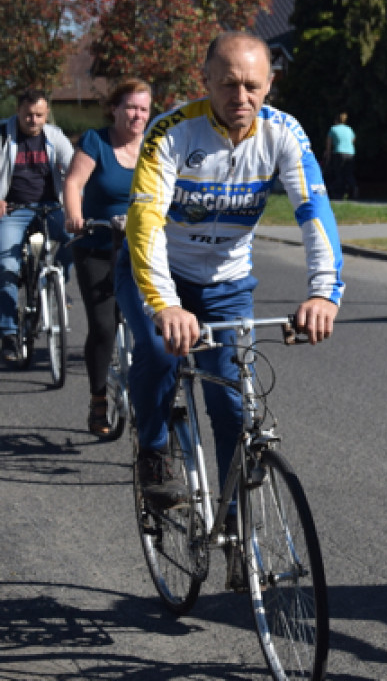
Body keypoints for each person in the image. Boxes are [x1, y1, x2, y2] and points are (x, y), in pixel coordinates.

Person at [116, 31, 343, 586]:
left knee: (234, 411)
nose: (241, 96)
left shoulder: (284, 133)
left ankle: (239, 532)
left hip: (226, 285)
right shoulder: (172, 133)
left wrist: (323, 291)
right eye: (229, 83)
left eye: (253, 84)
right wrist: (165, 304)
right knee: (156, 351)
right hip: (159, 274)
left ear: (269, 84)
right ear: (206, 81)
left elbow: (314, 209)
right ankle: (152, 452)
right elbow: (144, 222)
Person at [63, 78, 152, 437]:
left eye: (144, 109)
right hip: (98, 244)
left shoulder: (154, 145)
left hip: (142, 249)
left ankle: (151, 396)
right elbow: (73, 183)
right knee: (103, 326)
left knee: (151, 327)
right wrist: (74, 215)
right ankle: (99, 398)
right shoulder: (95, 141)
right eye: (131, 107)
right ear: (114, 108)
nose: (137, 115)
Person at [0, 89, 75, 363]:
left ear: (46, 114)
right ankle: (7, 332)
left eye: (39, 115)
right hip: (13, 210)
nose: (33, 120)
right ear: (18, 112)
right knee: (6, 266)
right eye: (28, 115)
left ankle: (58, 281)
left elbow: (74, 169)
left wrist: (75, 202)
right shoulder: (3, 135)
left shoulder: (54, 136)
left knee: (73, 239)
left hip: (50, 207)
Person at [323, 111, 357, 199]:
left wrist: (328, 155)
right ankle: (353, 192)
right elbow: (353, 140)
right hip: (350, 153)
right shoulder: (349, 129)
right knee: (349, 174)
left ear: (335, 120)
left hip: (339, 153)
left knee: (339, 174)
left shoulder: (333, 129)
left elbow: (329, 145)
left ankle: (339, 194)